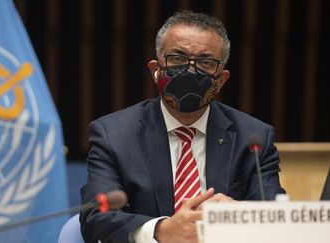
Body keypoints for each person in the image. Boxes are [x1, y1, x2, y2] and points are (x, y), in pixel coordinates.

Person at [79, 10, 285, 243]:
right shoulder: (113, 134)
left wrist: (238, 214)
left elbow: (276, 217)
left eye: (205, 62)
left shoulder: (254, 137)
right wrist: (161, 230)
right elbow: (95, 217)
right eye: (177, 58)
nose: (189, 70)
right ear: (156, 70)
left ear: (221, 79)